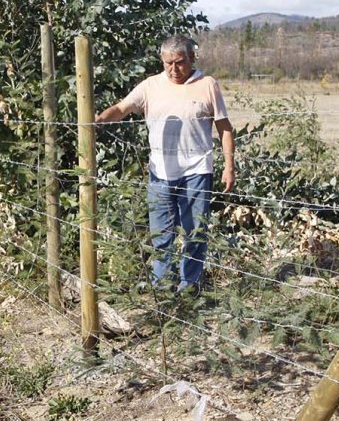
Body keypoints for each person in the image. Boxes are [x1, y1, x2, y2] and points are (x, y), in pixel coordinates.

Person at [96, 34, 235, 293]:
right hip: (159, 173)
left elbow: (224, 128)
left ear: (192, 59)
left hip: (196, 171)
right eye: (167, 63)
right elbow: (122, 108)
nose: (173, 69)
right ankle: (163, 289)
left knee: (195, 233)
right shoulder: (150, 86)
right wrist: (100, 119)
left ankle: (189, 287)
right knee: (161, 234)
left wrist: (229, 166)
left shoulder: (207, 84)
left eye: (180, 62)